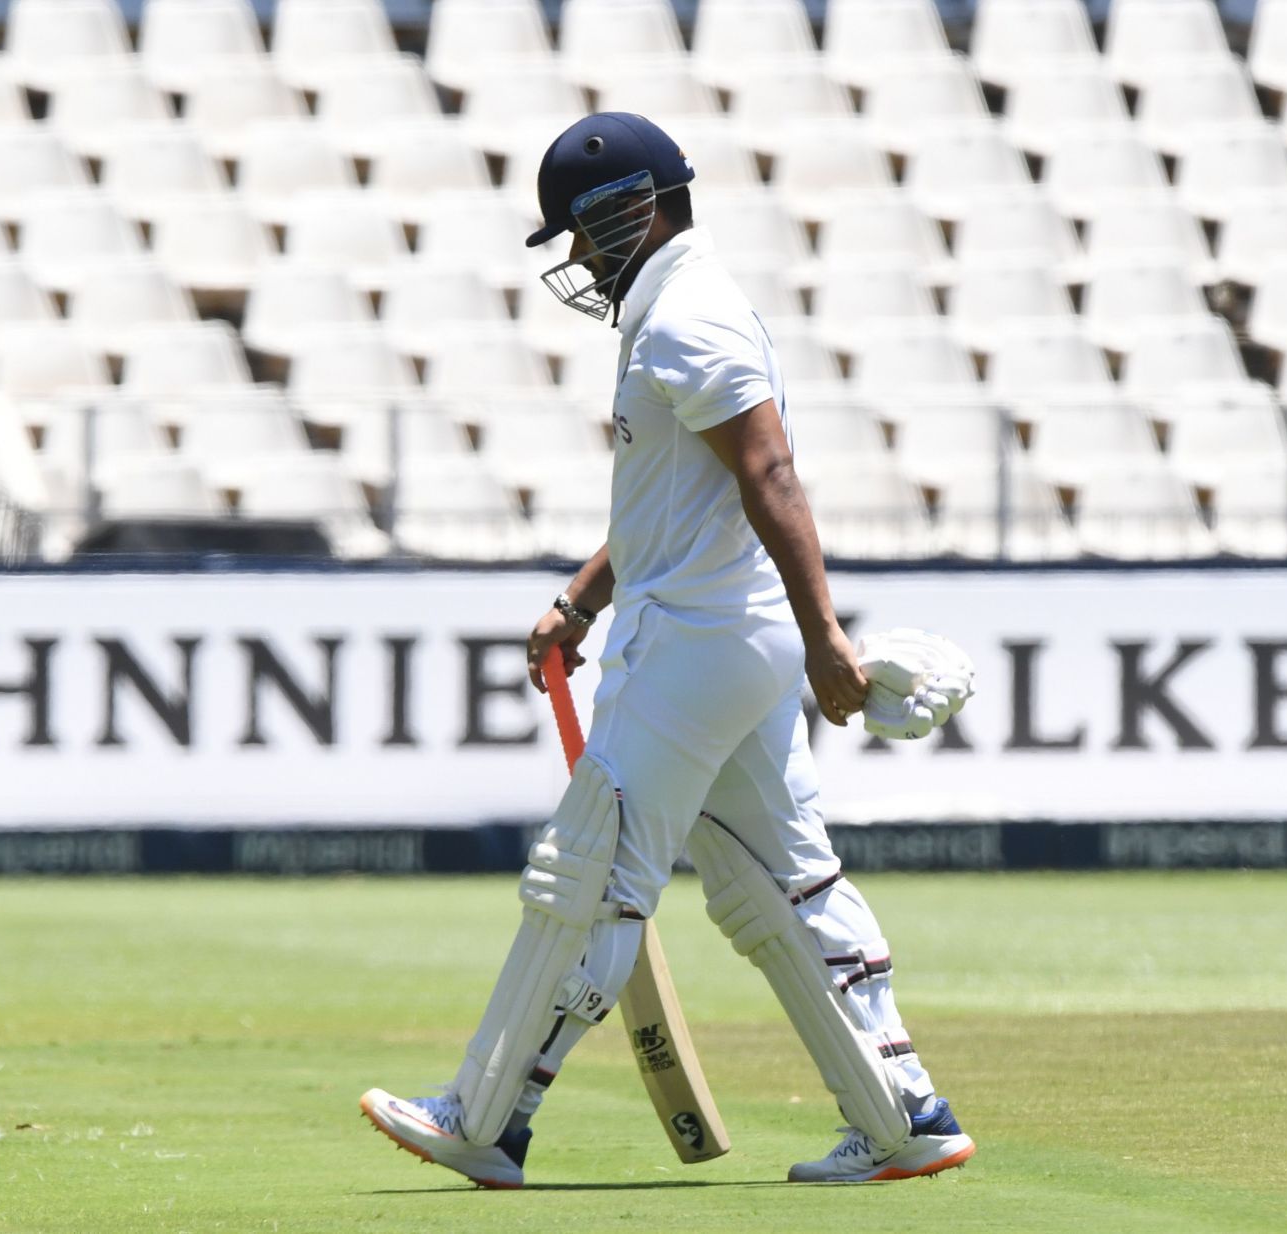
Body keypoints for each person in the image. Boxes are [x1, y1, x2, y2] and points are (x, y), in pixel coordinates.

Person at [359, 112, 974, 1188]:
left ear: (624, 210)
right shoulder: (684, 309)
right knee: (782, 886)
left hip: (694, 646)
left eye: (582, 236)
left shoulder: (686, 317)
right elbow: (678, 498)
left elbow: (770, 474)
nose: (581, 261)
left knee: (588, 875)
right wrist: (585, 598)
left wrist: (830, 634)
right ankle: (903, 1113)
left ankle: (488, 1116)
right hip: (729, 641)